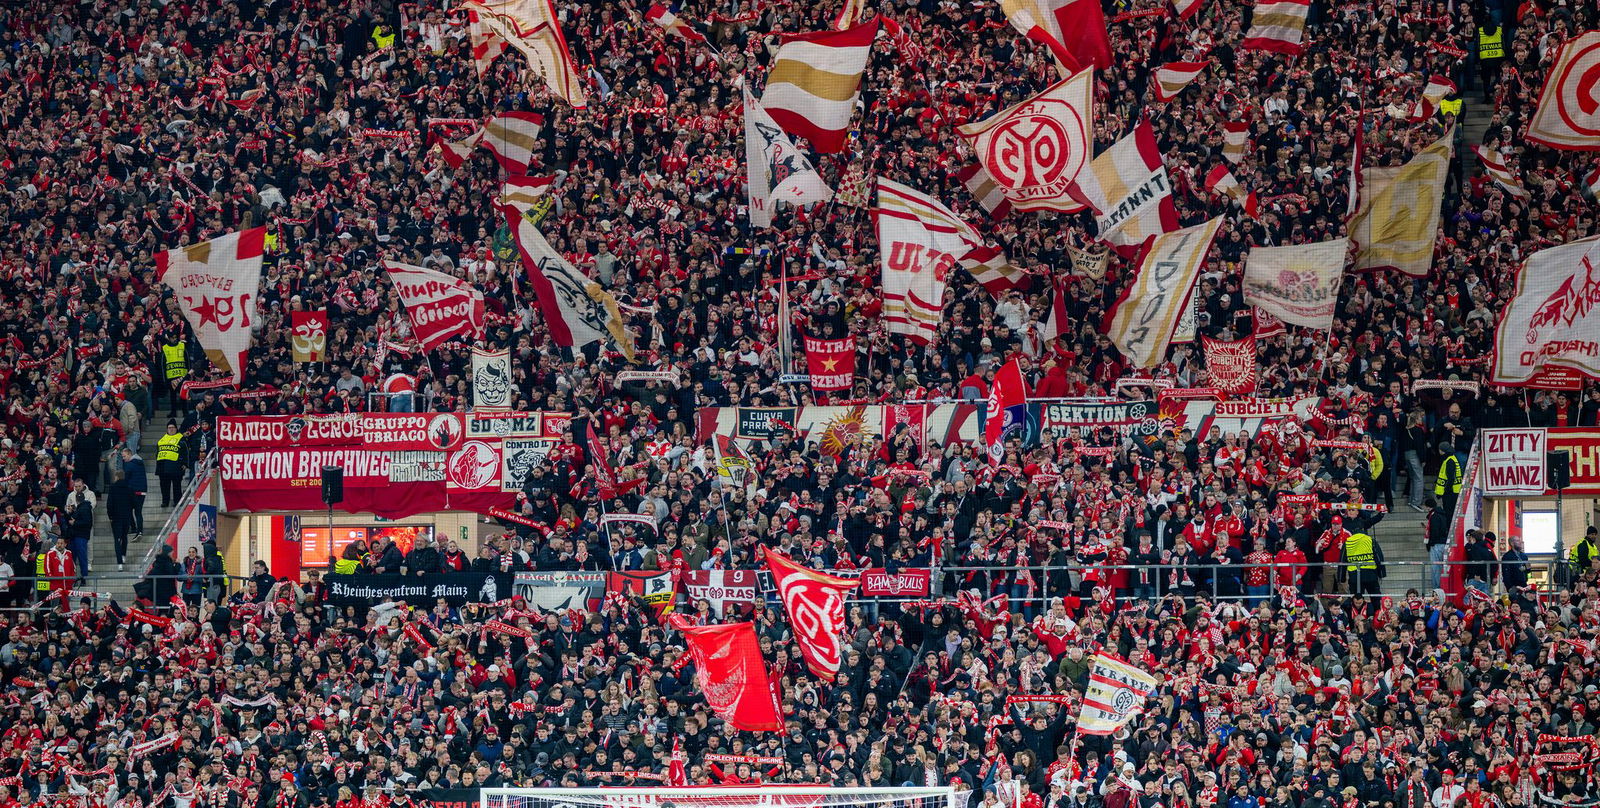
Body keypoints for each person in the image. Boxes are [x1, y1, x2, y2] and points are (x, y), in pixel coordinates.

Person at [64, 480, 94, 581]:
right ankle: (76, 577)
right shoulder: (82, 509)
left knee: (81, 558)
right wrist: (70, 514)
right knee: (74, 558)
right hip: (76, 536)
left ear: (76, 501)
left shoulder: (84, 509)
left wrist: (74, 522)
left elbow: (87, 523)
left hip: (80, 536)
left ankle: (83, 577)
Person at [106, 470, 134, 571]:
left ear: (117, 477)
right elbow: (133, 502)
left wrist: (110, 516)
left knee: (117, 540)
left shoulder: (113, 488)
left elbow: (109, 503)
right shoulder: (129, 488)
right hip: (127, 517)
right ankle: (123, 556)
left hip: (116, 518)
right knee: (124, 537)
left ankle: (120, 563)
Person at [155, 422, 185, 508]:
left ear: (176, 429)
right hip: (163, 466)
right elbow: (157, 452)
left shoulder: (181, 438)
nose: (171, 429)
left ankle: (177, 502)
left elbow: (185, 451)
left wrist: (185, 464)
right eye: (169, 427)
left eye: (172, 427)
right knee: (164, 486)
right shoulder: (162, 439)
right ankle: (165, 501)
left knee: (176, 486)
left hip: (176, 466)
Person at [121, 448, 147, 541]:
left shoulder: (129, 465)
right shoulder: (140, 463)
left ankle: (136, 529)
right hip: (142, 491)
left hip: (133, 491)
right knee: (137, 512)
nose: (123, 458)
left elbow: (125, 478)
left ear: (129, 454)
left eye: (124, 456)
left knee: (129, 510)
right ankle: (137, 530)